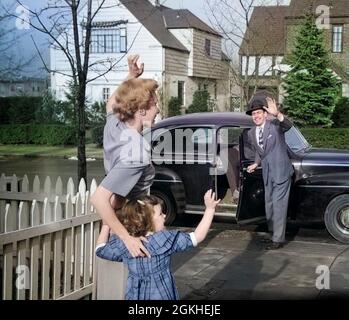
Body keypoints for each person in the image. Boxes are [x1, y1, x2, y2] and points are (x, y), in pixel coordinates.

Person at [90, 54, 160, 258]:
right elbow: (98, 199)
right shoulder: (137, 151)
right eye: (155, 103)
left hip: (117, 221)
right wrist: (127, 238)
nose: (158, 109)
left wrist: (131, 76)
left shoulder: (115, 123)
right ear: (140, 110)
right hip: (130, 227)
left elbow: (112, 103)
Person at [95, 189, 220, 300]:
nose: (165, 215)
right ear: (148, 222)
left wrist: (106, 225)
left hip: (134, 294)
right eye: (160, 214)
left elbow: (100, 250)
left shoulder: (127, 243)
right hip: (162, 294)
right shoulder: (165, 239)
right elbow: (197, 236)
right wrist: (210, 209)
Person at [246, 91, 294, 250]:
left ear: (265, 114)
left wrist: (278, 114)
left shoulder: (275, 125)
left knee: (279, 205)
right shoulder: (251, 133)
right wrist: (255, 163)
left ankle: (278, 240)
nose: (256, 116)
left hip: (281, 172)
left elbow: (288, 125)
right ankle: (273, 233)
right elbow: (261, 152)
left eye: (259, 112)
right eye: (254, 114)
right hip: (267, 174)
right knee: (269, 205)